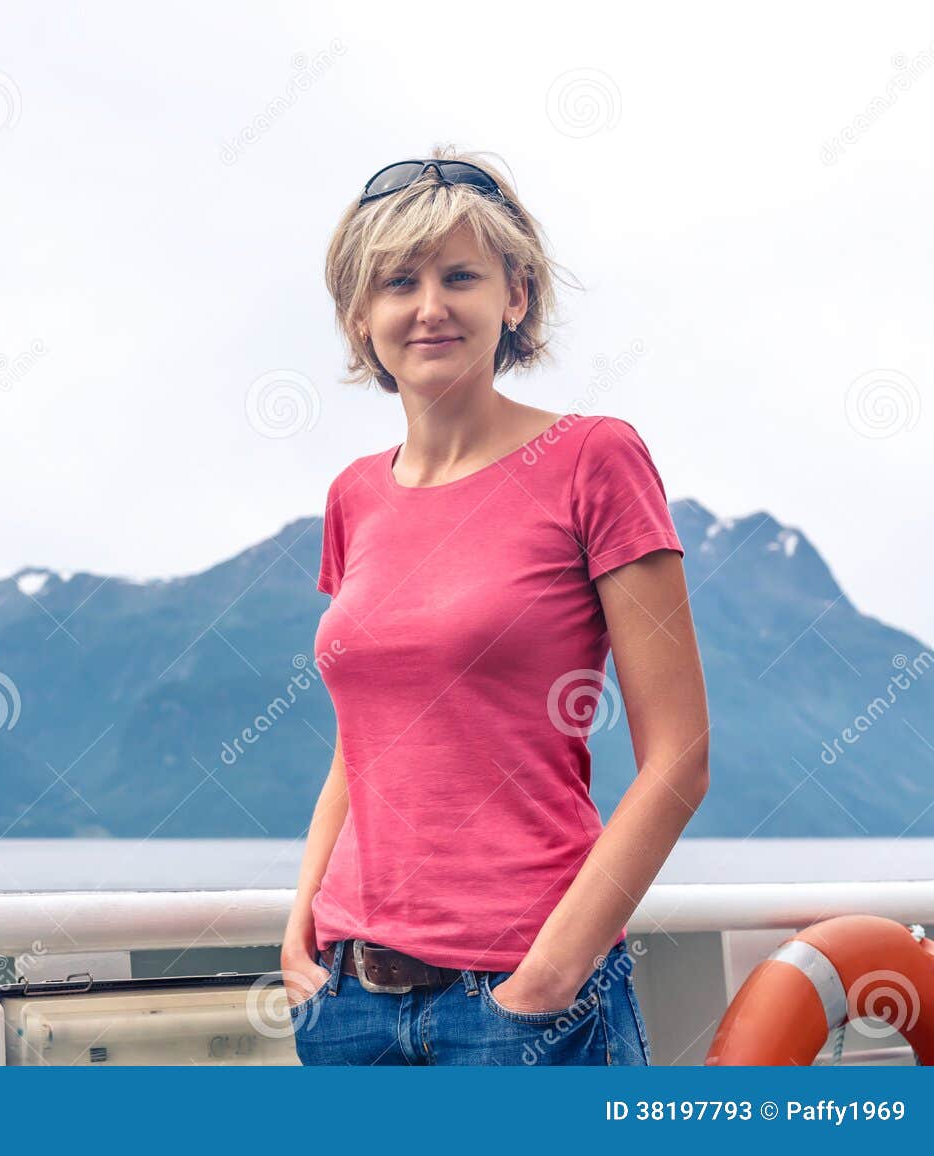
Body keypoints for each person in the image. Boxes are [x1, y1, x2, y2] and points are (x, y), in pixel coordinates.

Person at [282, 150, 711, 1066]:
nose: (429, 306)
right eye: (398, 282)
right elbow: (358, 748)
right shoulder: (353, 496)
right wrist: (300, 927)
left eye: (460, 276)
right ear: (361, 318)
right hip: (347, 999)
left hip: (522, 1000)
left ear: (515, 297)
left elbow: (680, 757)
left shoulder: (594, 460)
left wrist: (548, 979)